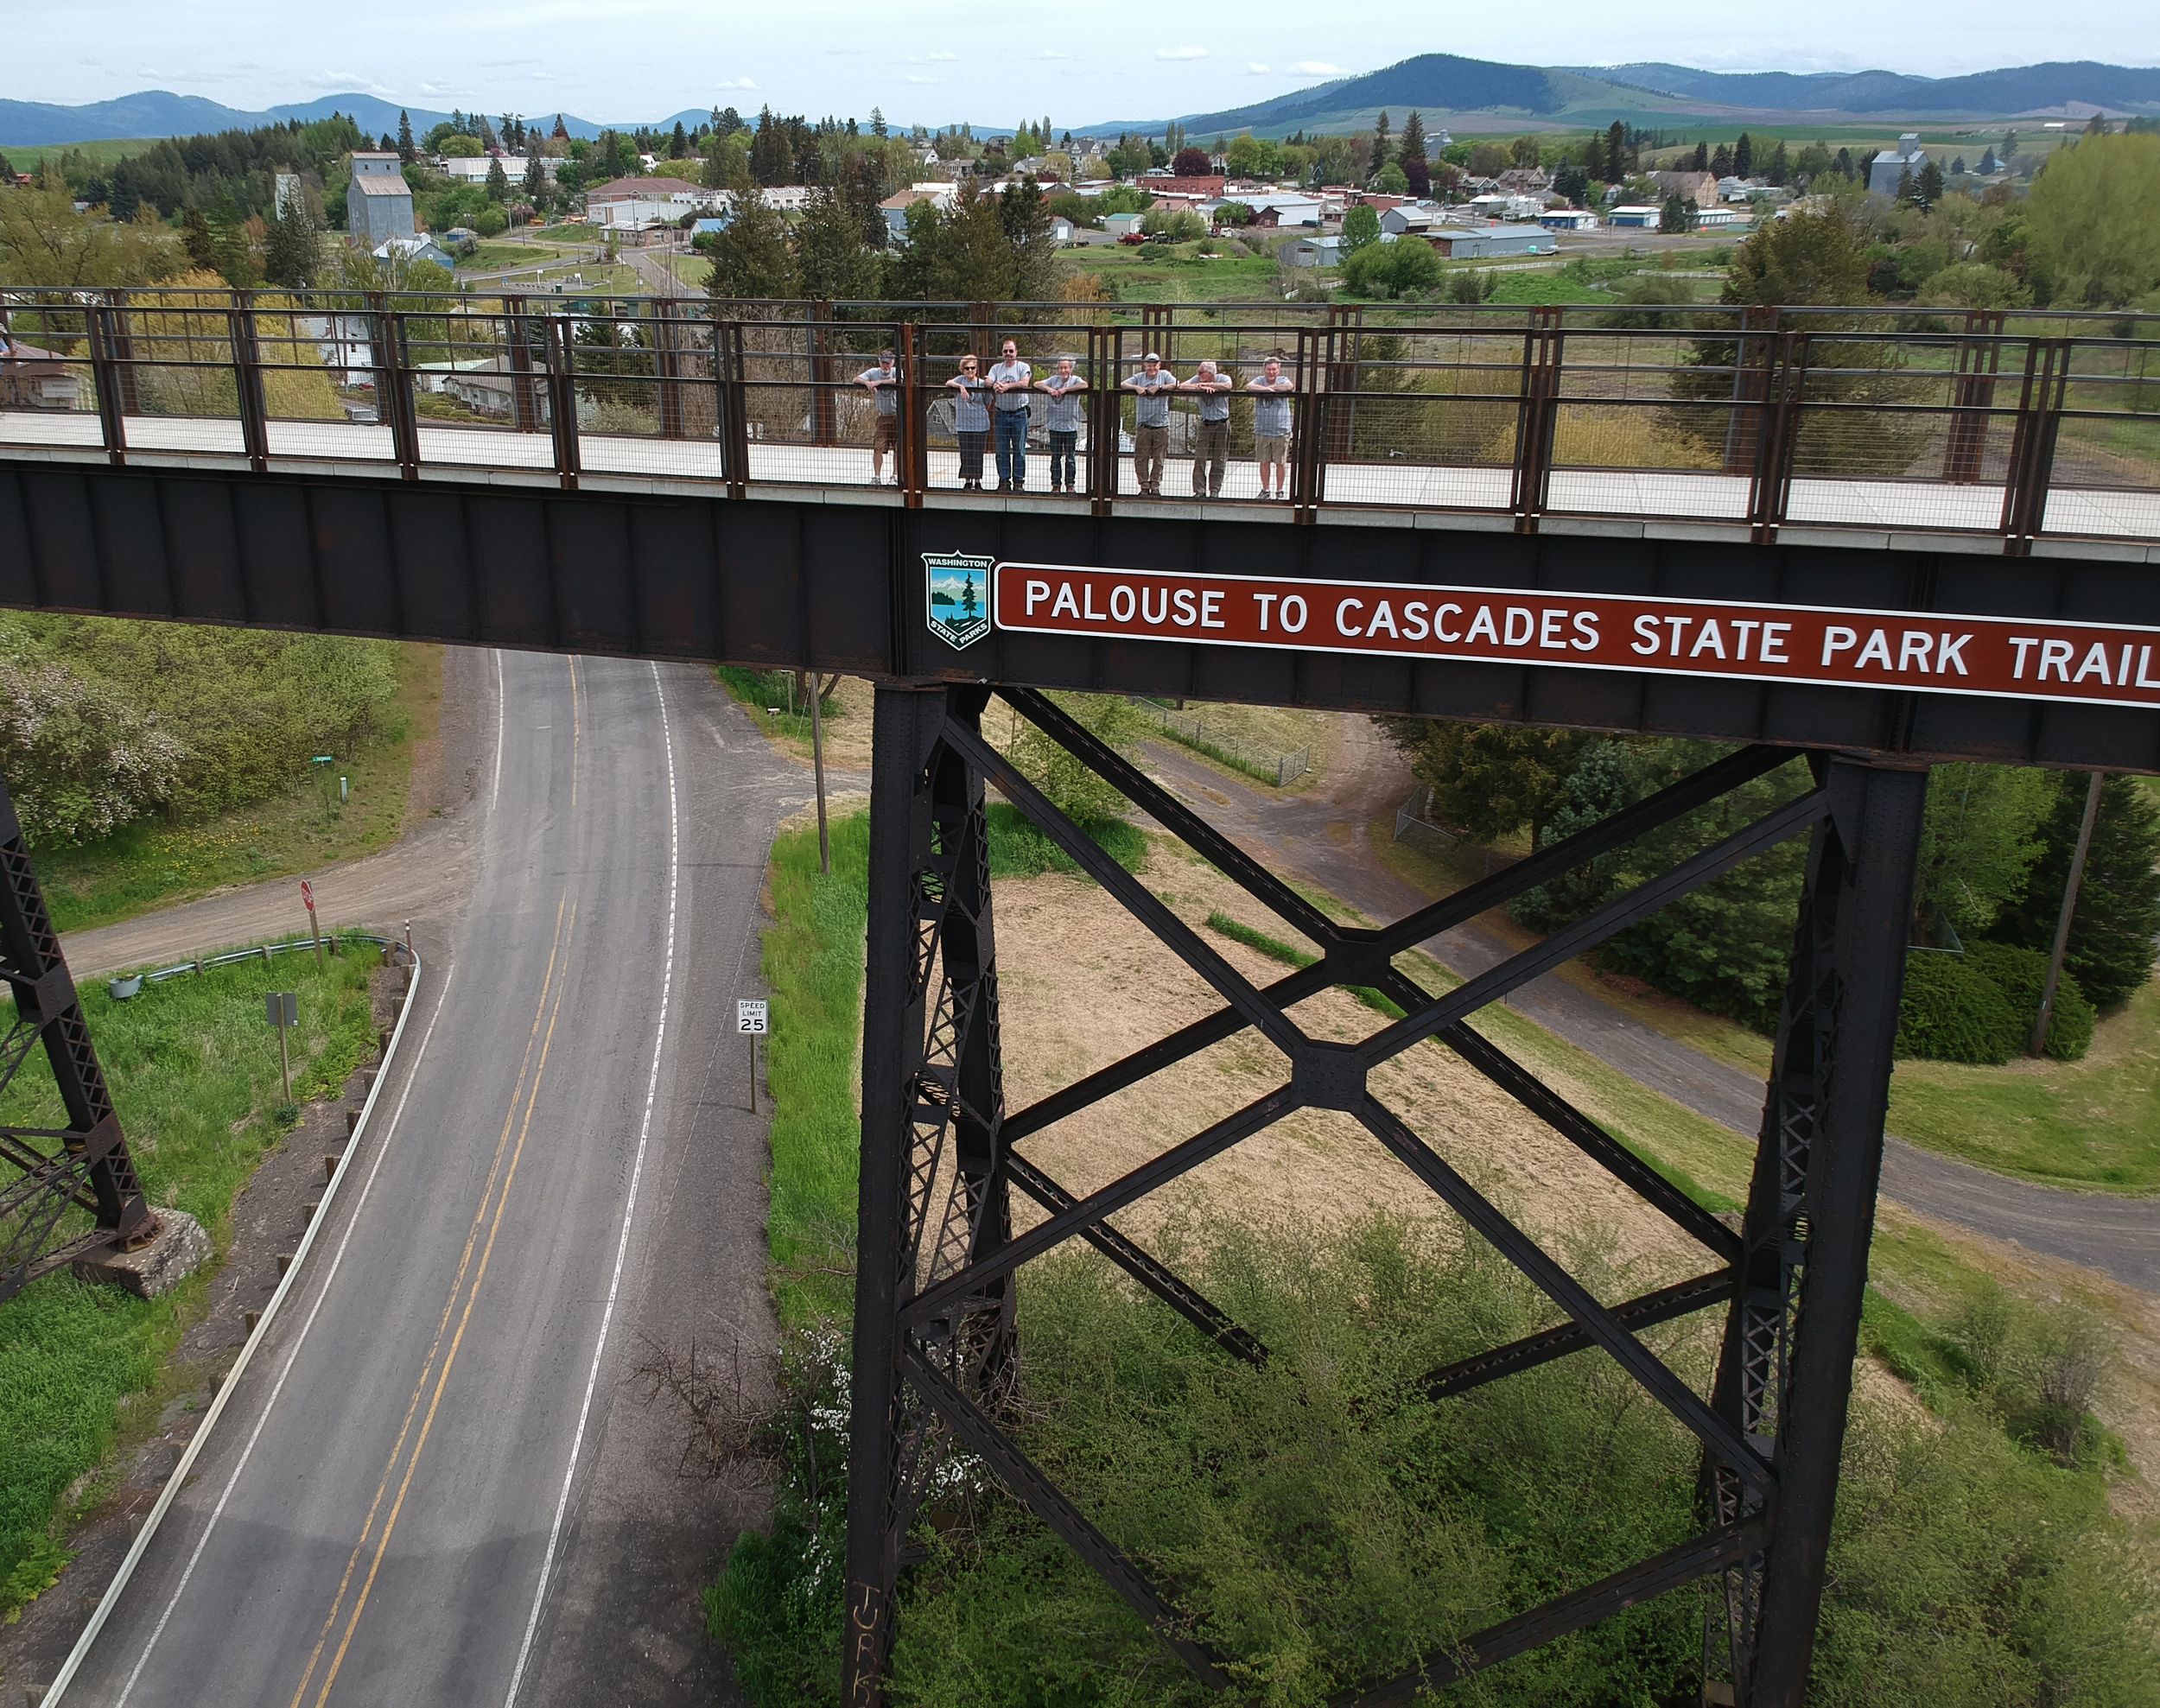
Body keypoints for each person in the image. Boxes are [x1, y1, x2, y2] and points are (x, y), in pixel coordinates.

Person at [1121, 351, 1178, 498]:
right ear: (1144, 365)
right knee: (1141, 457)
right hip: (1144, 424)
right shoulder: (1139, 377)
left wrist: (1159, 388)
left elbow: (1176, 384)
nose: (1152, 368)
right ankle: (1144, 485)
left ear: (1159, 365)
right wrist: (1136, 388)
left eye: (1154, 365)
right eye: (1149, 365)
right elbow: (1123, 383)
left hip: (1161, 424)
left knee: (1159, 458)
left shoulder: (1164, 375)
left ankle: (1155, 484)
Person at [1246, 355, 1296, 501]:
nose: (1271, 372)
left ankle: (1280, 490)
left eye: (1274, 369)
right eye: (1269, 369)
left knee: (1280, 462)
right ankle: (1265, 489)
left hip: (1281, 429)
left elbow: (1289, 387)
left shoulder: (1283, 380)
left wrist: (1269, 390)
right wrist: (1267, 388)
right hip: (1262, 429)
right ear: (1264, 369)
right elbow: (1249, 387)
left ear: (1279, 370)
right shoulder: (1259, 380)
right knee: (1264, 461)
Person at [987, 338, 1033, 492]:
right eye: (1005, 351)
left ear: (1016, 352)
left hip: (1019, 413)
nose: (1008, 354)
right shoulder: (996, 368)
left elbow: (1024, 383)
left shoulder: (1023, 366)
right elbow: (987, 380)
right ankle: (1004, 481)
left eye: (1011, 351)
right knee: (1001, 450)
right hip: (1001, 413)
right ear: (1002, 353)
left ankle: (1018, 482)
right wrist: (994, 384)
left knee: (1019, 450)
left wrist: (1006, 387)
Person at [1037, 354, 1088, 494]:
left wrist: (1066, 390)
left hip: (1070, 426)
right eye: (1061, 368)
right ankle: (1056, 484)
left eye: (1066, 368)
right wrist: (1049, 389)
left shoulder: (1075, 380)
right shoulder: (1054, 380)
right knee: (1055, 458)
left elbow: (1085, 385)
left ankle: (1070, 484)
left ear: (1071, 369)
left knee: (1070, 458)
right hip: (1054, 426)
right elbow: (1037, 383)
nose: (1063, 371)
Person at [1182, 359, 1233, 498]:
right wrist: (1201, 387)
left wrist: (1210, 385)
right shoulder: (1197, 379)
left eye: (1201, 372)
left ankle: (1215, 490)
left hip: (1222, 424)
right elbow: (1181, 386)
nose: (1198, 375)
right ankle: (1199, 490)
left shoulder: (1223, 378)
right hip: (1205, 424)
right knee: (1200, 458)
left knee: (1219, 459)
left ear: (1210, 373)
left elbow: (1228, 386)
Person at [856, 348, 900, 485]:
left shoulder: (896, 372)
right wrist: (867, 383)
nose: (885, 366)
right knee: (878, 447)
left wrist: (878, 383)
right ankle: (877, 477)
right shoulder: (873, 372)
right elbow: (856, 379)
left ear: (892, 363)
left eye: (887, 363)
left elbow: (897, 380)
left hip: (897, 415)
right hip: (883, 416)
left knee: (898, 447)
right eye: (883, 363)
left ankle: (895, 476)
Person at [946, 353, 989, 491]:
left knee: (977, 453)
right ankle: (967, 479)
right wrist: (960, 387)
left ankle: (977, 480)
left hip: (980, 424)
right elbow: (948, 382)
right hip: (963, 424)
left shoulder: (982, 383)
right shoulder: (960, 380)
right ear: (962, 370)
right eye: (967, 368)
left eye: (973, 368)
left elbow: (987, 402)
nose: (970, 371)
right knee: (965, 452)